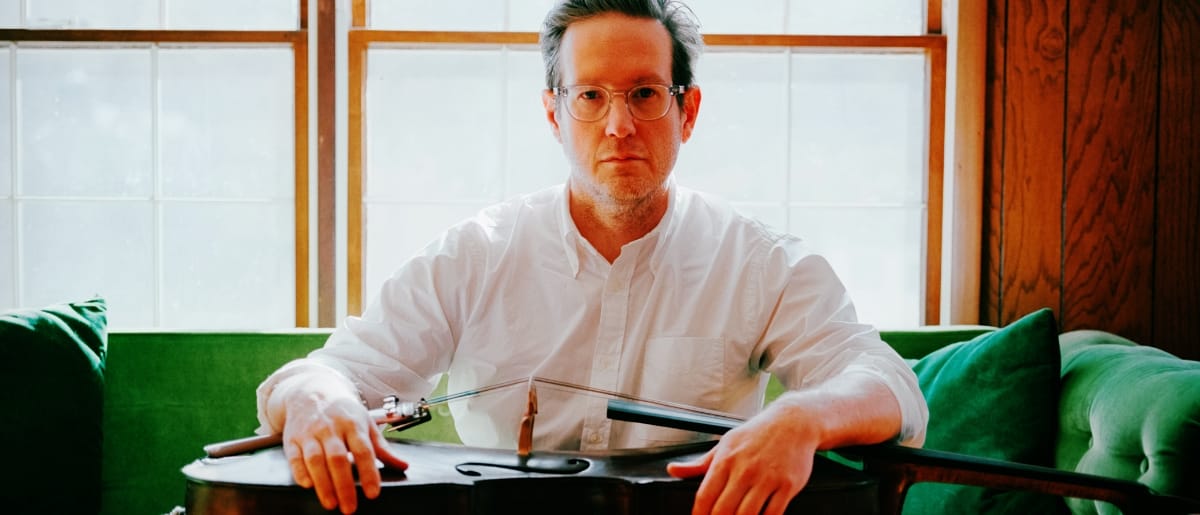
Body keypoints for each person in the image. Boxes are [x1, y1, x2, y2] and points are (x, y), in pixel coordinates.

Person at [255, 1, 928, 514]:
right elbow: (327, 376)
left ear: (687, 111)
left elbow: (890, 384)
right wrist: (317, 395)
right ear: (554, 113)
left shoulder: (756, 261)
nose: (618, 125)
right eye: (590, 96)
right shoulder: (476, 252)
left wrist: (800, 416)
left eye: (644, 93)